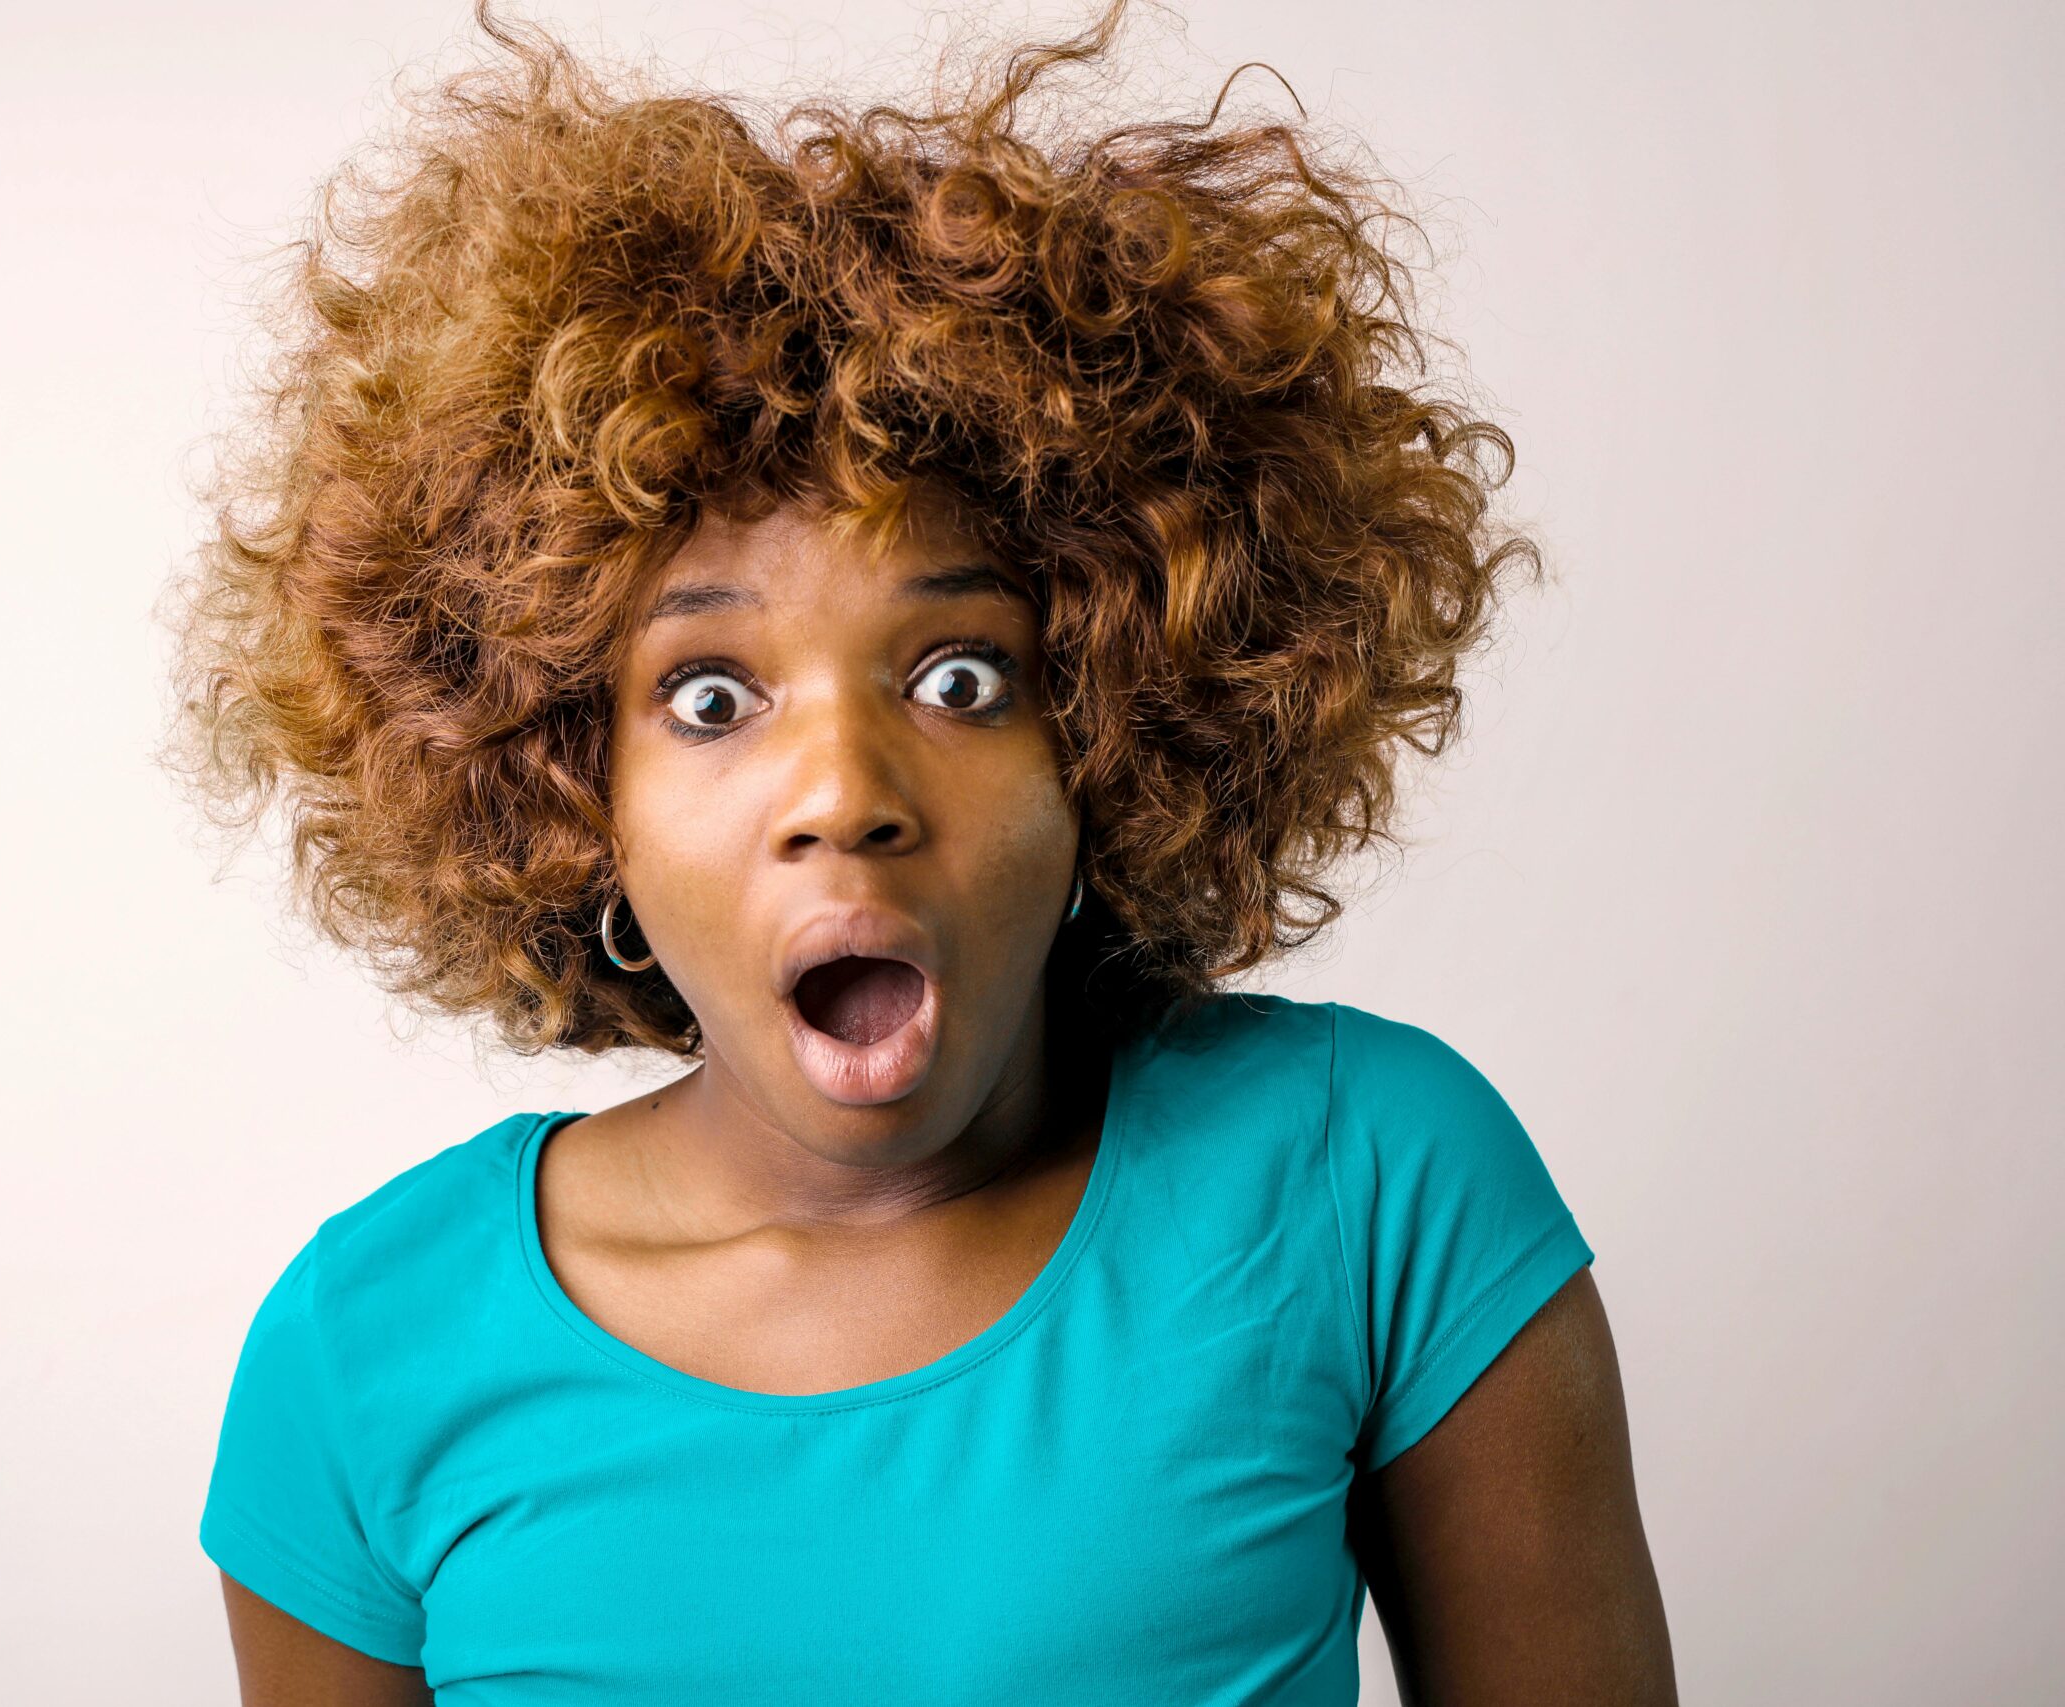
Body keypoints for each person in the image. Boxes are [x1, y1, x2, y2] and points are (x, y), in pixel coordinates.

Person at [160, 3, 1677, 1701]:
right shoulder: (368, 1354)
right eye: (713, 695)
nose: (846, 792)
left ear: (1109, 735)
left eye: (961, 677)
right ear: (569, 789)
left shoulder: (1363, 1180)